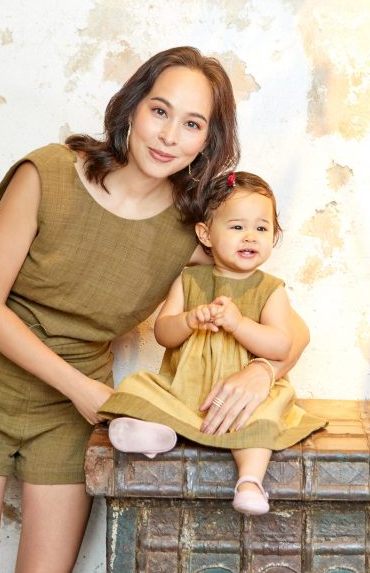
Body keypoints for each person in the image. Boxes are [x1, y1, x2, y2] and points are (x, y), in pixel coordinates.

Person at [0, 46, 310, 573]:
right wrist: (82, 389)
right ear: (131, 107)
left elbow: (288, 325)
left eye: (192, 124)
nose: (169, 135)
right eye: (160, 111)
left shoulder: (190, 232)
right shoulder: (47, 174)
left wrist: (262, 370)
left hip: (70, 415)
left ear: (208, 141)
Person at [100, 170, 325, 516]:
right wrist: (188, 320)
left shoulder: (270, 290)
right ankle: (156, 434)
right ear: (205, 234)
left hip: (243, 397)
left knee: (262, 419)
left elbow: (281, 345)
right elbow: (163, 333)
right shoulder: (189, 280)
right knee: (137, 386)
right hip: (186, 389)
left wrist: (239, 324)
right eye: (237, 227)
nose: (250, 237)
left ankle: (249, 481)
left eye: (261, 228)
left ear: (274, 236)